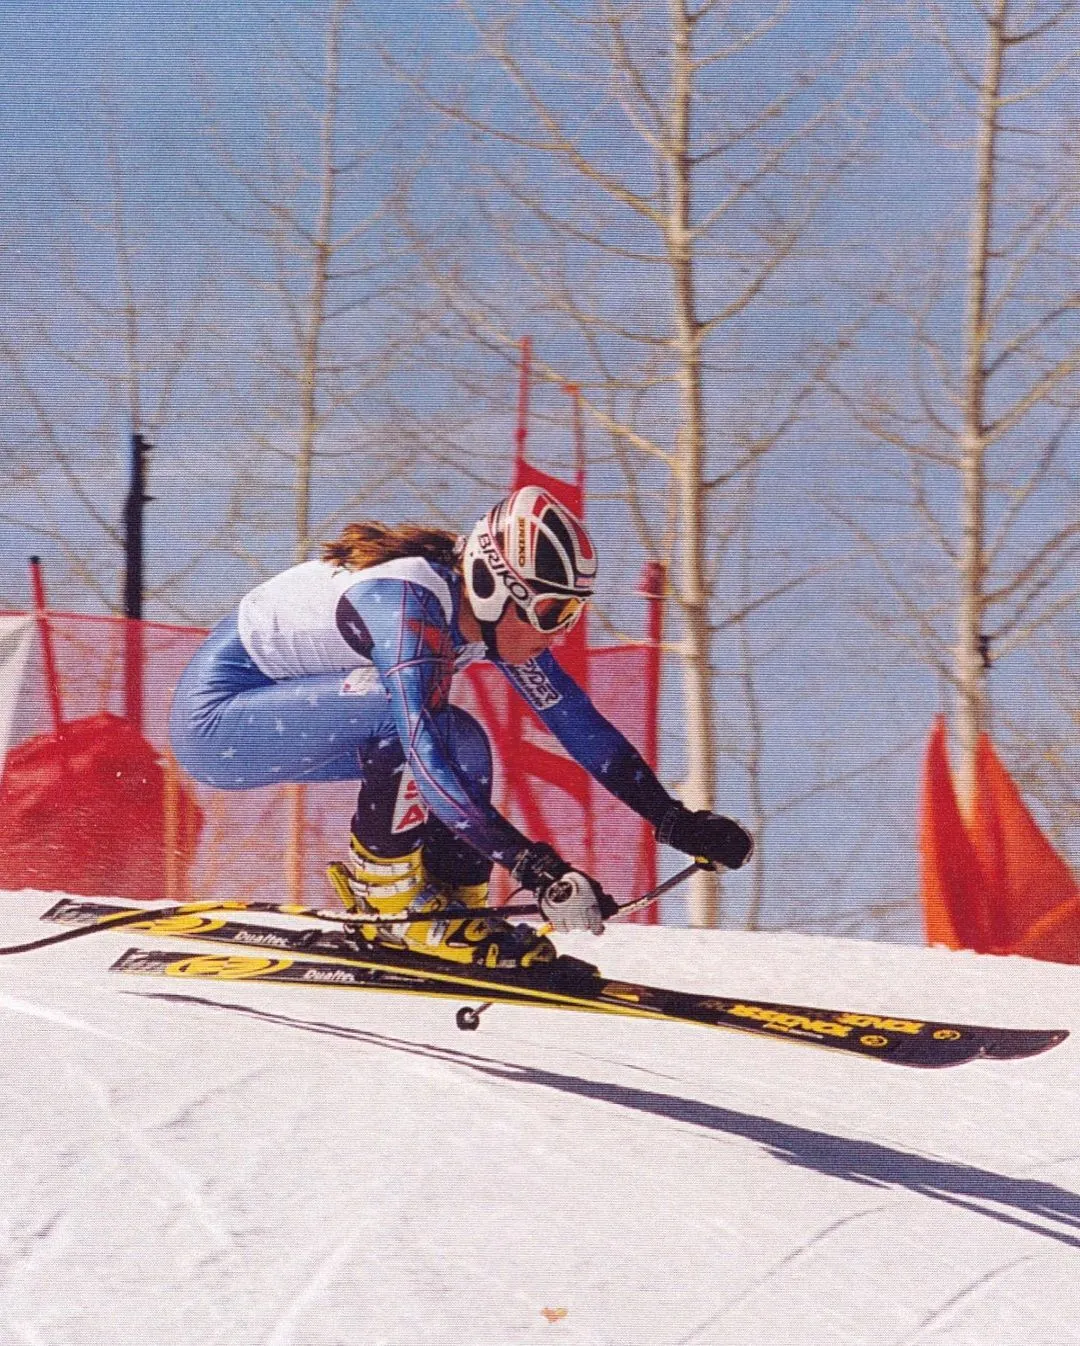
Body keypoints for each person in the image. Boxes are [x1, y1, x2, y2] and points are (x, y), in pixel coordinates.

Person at [169, 486, 753, 970]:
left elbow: (579, 726)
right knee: (418, 726)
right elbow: (423, 756)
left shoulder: (481, 607)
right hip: (218, 725)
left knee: (465, 739)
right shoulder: (408, 606)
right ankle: (389, 903)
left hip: (272, 718)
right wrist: (535, 867)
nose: (562, 633)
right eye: (554, 612)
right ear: (500, 587)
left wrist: (673, 819)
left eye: (574, 613)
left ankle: (451, 908)